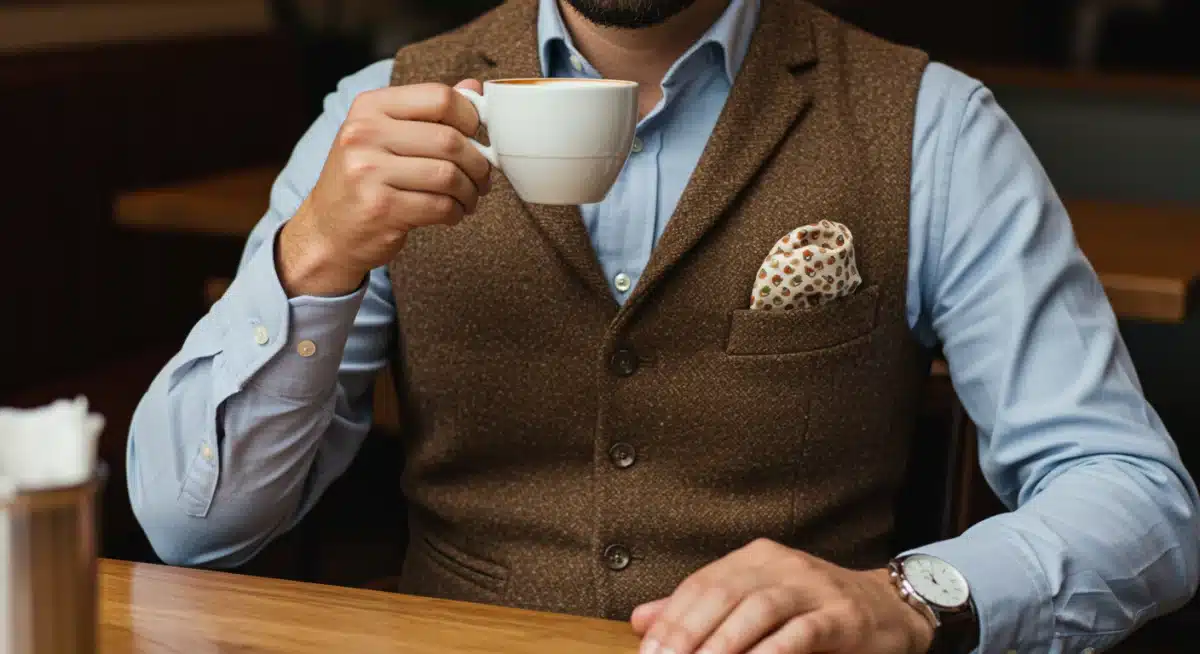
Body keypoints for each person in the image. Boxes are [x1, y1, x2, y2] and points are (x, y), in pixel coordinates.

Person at [127, 0, 1200, 652]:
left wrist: (904, 598)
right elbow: (194, 528)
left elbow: (1138, 497)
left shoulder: (933, 124)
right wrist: (311, 255)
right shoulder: (378, 110)